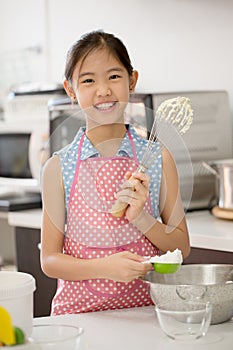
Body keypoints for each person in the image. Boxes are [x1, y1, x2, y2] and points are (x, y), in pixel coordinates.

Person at [40, 30, 190, 315]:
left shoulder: (159, 158)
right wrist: (104, 268)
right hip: (80, 317)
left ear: (131, 81)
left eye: (113, 76)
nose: (103, 90)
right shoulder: (58, 168)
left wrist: (142, 218)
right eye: (88, 81)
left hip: (146, 313)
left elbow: (181, 246)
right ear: (71, 90)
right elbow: (49, 260)